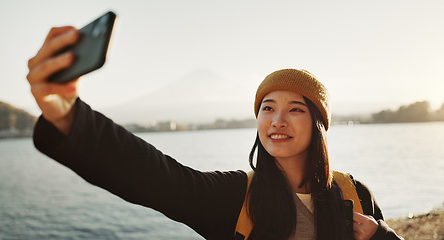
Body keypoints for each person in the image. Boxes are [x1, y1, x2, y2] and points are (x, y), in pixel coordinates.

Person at [27, 26, 403, 240]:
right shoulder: (235, 196)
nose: (276, 121)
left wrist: (381, 237)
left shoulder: (354, 194)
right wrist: (68, 116)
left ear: (320, 124)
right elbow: (154, 176)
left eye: (296, 109)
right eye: (267, 108)